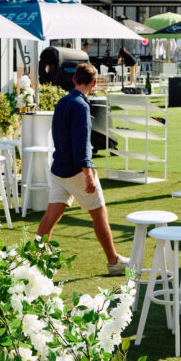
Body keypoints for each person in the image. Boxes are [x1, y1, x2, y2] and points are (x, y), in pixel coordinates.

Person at [37, 62, 130, 275]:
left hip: (58, 168)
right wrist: (88, 173)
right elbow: (81, 142)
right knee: (99, 213)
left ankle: (33, 259)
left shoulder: (62, 102)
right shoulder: (81, 105)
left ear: (73, 79)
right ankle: (114, 261)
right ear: (94, 83)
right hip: (75, 171)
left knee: (50, 216)